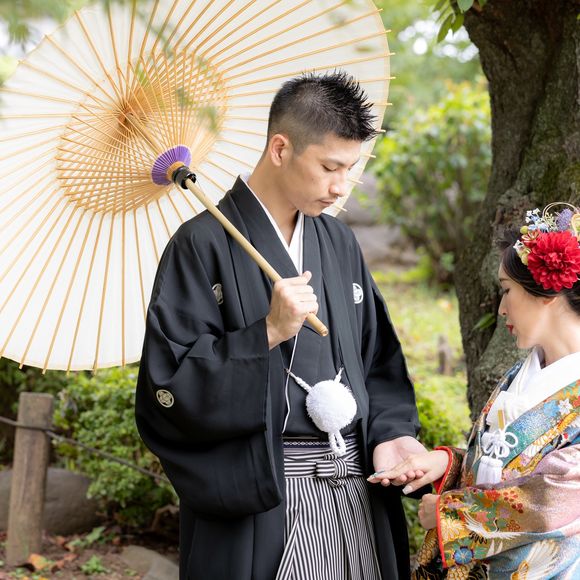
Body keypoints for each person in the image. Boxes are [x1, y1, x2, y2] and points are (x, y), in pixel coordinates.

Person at [135, 71, 427, 580]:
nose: (340, 187)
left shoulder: (338, 241)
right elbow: (169, 388)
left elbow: (377, 361)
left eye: (350, 168)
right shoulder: (199, 245)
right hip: (265, 496)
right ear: (280, 148)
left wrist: (391, 435)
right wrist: (266, 332)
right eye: (329, 167)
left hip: (355, 487)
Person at [369, 203, 580, 579]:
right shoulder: (522, 374)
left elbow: (555, 499)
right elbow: (507, 464)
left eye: (507, 290)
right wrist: (447, 464)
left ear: (547, 291)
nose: (501, 309)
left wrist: (450, 514)